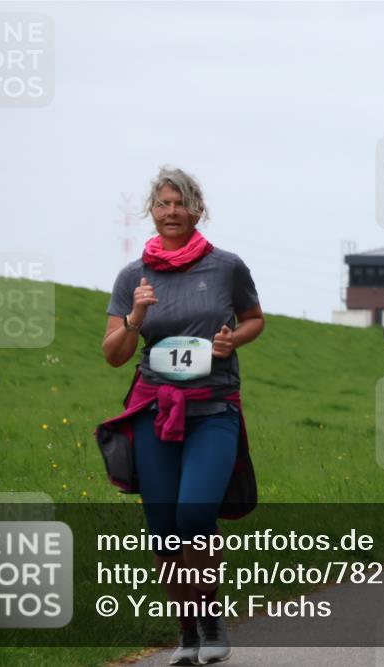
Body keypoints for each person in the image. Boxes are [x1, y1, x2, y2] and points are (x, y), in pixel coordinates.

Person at [100, 167, 264, 666]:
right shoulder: (133, 276)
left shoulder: (226, 266)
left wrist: (231, 339)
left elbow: (255, 319)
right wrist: (136, 319)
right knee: (164, 527)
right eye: (162, 203)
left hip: (213, 408)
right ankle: (188, 635)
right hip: (154, 409)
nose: (171, 212)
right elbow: (113, 353)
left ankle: (212, 622)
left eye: (180, 204)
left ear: (197, 210)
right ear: (151, 210)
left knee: (195, 512)